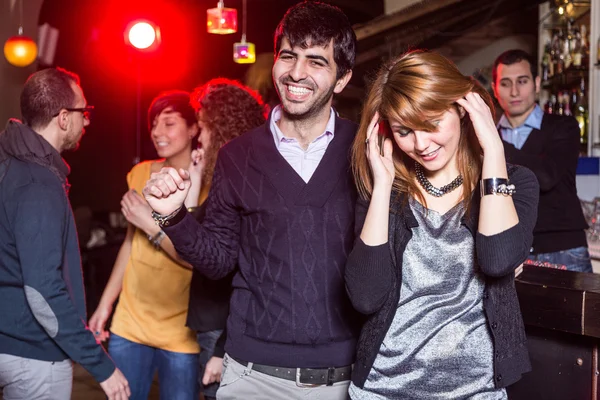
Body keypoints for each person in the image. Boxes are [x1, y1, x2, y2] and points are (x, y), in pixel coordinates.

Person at [142, 2, 359, 399]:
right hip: (252, 377)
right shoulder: (237, 155)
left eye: (316, 61)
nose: (297, 73)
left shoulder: (365, 150)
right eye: (289, 56)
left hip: (343, 378)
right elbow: (220, 261)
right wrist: (173, 216)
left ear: (342, 79)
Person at [344, 50, 539, 399]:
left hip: (477, 391)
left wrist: (493, 149)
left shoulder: (516, 183)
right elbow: (365, 296)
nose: (421, 144)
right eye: (404, 130)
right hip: (383, 390)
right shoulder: (384, 194)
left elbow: (497, 260)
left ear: (462, 110)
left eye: (431, 123)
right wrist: (383, 185)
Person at [0, 67, 130, 400]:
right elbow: (42, 290)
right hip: (34, 356)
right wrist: (100, 365)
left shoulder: (9, 163)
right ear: (62, 118)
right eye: (82, 112)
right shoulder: (38, 183)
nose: (86, 121)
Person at [89, 91, 201, 400]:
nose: (157, 132)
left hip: (181, 332)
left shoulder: (207, 181)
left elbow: (197, 259)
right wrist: (105, 305)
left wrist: (149, 224)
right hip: (130, 323)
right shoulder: (140, 173)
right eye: (154, 124)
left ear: (193, 128)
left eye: (169, 123)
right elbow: (129, 245)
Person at [186, 78, 268, 400]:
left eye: (203, 126)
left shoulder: (241, 176)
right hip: (215, 324)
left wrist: (222, 350)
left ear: (219, 128)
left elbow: (245, 268)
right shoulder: (227, 173)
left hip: (224, 328)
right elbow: (200, 244)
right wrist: (194, 181)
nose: (199, 135)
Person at [492, 49, 592, 273]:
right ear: (495, 89)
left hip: (563, 248)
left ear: (536, 84)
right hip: (509, 250)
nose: (515, 91)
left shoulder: (563, 126)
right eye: (506, 83)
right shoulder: (490, 137)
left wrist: (491, 144)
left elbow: (546, 177)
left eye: (523, 81)